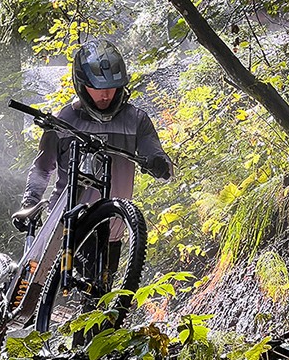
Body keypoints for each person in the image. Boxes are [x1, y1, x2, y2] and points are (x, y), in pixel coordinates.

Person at [12, 39, 173, 232]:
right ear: (82, 86)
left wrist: (160, 166)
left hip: (113, 227)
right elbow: (42, 168)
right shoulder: (63, 119)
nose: (105, 95)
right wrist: (29, 202)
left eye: (112, 87)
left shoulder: (136, 120)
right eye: (97, 88)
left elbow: (158, 157)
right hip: (63, 225)